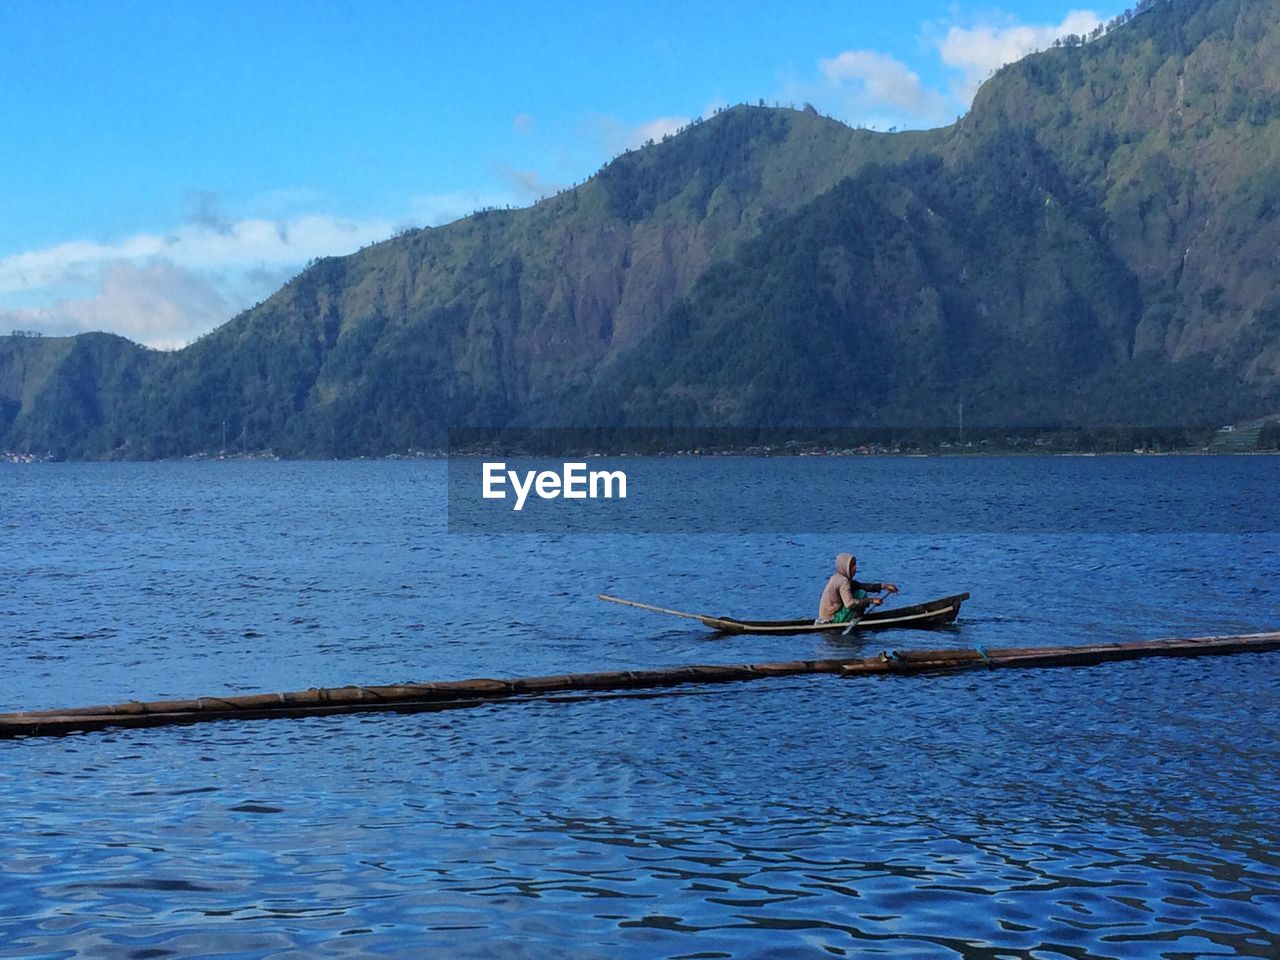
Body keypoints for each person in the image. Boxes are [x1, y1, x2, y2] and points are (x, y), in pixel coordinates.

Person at [816, 553, 899, 624]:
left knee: (860, 592)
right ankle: (855, 619)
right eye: (852, 565)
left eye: (855, 564)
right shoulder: (843, 581)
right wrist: (871, 600)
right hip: (832, 619)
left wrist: (884, 586)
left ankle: (856, 617)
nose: (855, 568)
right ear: (844, 567)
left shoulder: (839, 577)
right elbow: (850, 604)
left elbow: (862, 586)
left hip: (829, 616)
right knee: (861, 594)